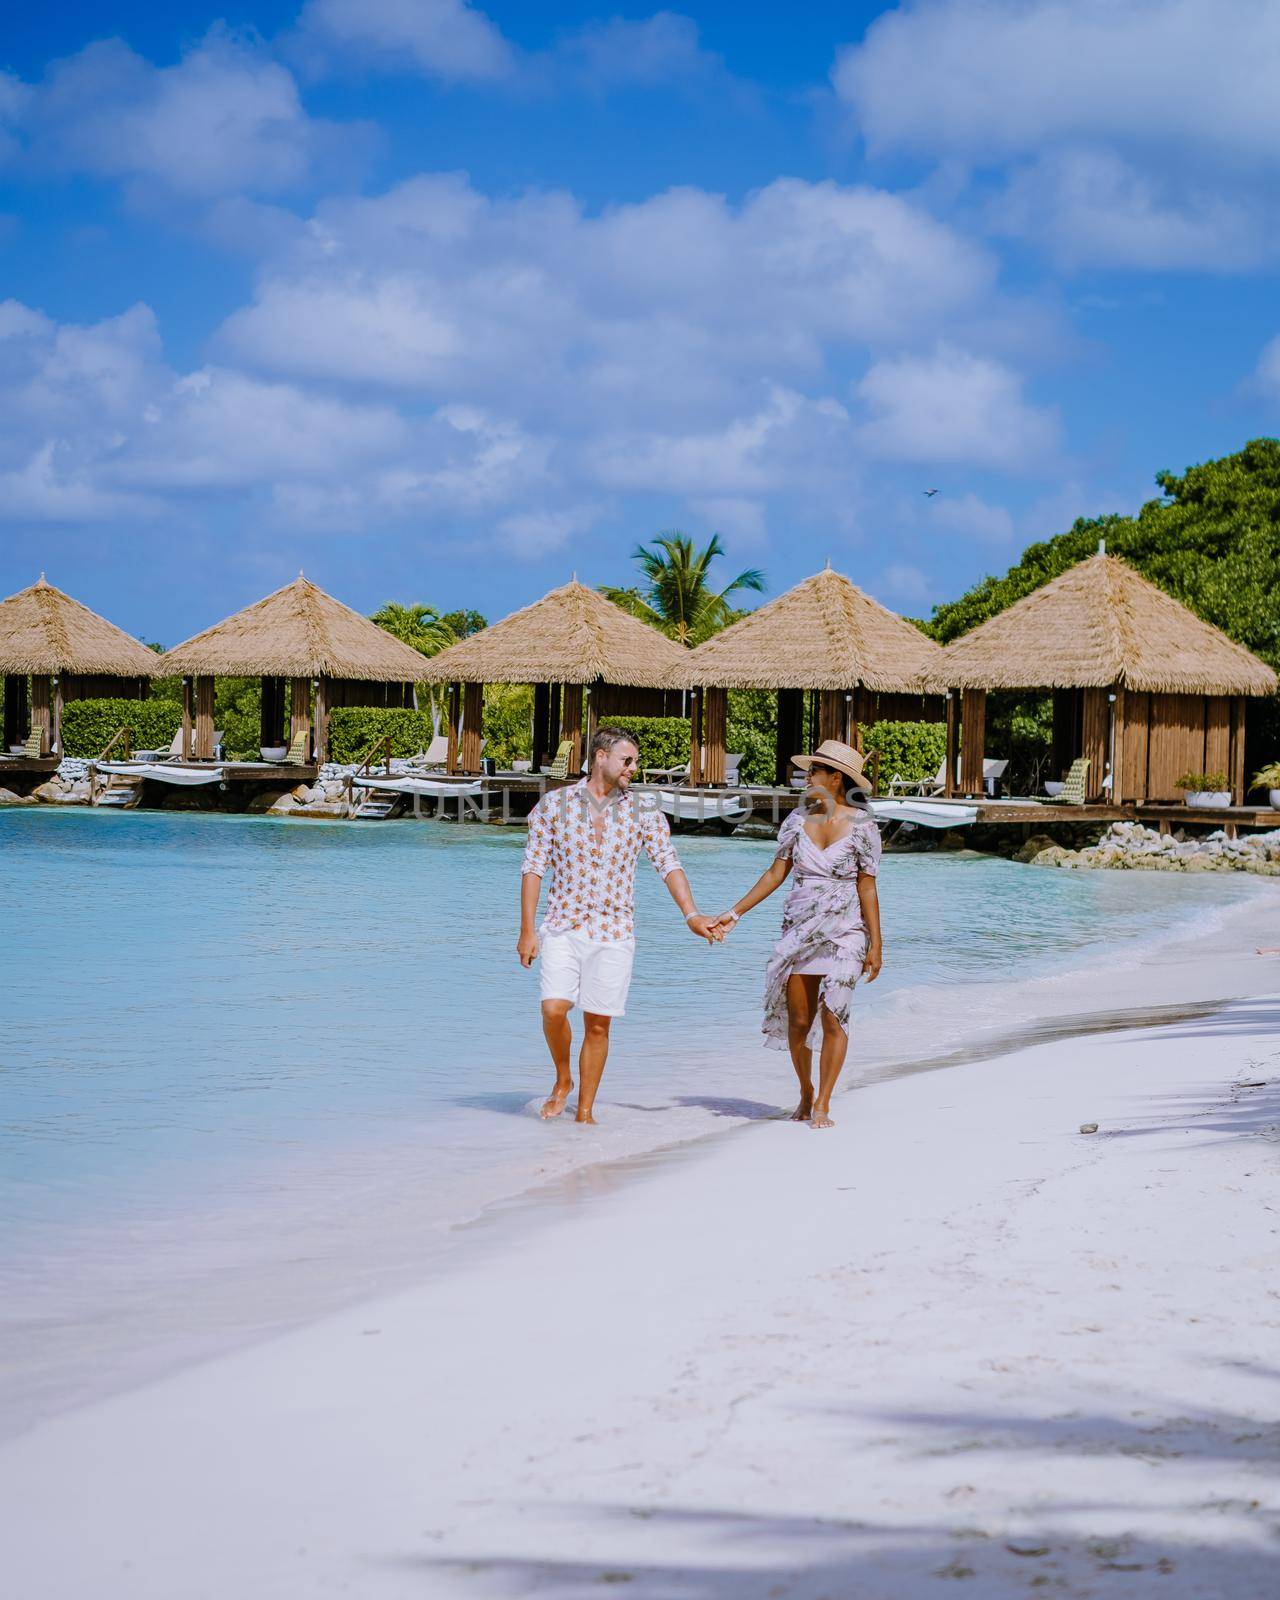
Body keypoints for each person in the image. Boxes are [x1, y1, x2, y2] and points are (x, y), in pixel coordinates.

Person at [518, 727, 723, 1125]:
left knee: (597, 1024)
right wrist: (527, 929)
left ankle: (585, 1113)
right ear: (600, 757)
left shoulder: (644, 812)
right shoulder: (553, 805)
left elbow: (668, 863)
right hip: (563, 925)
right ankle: (563, 1079)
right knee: (553, 1009)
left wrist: (692, 914)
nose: (634, 767)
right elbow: (533, 868)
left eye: (635, 761)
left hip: (614, 931)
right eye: (627, 760)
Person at [714, 739, 882, 1128]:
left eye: (814, 772)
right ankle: (806, 1089)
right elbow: (776, 874)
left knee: (834, 1016)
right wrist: (733, 913)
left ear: (835, 778)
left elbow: (868, 886)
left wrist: (876, 943)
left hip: (846, 932)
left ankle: (822, 1102)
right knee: (799, 1023)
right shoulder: (796, 820)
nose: (806, 778)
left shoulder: (863, 827)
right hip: (800, 930)